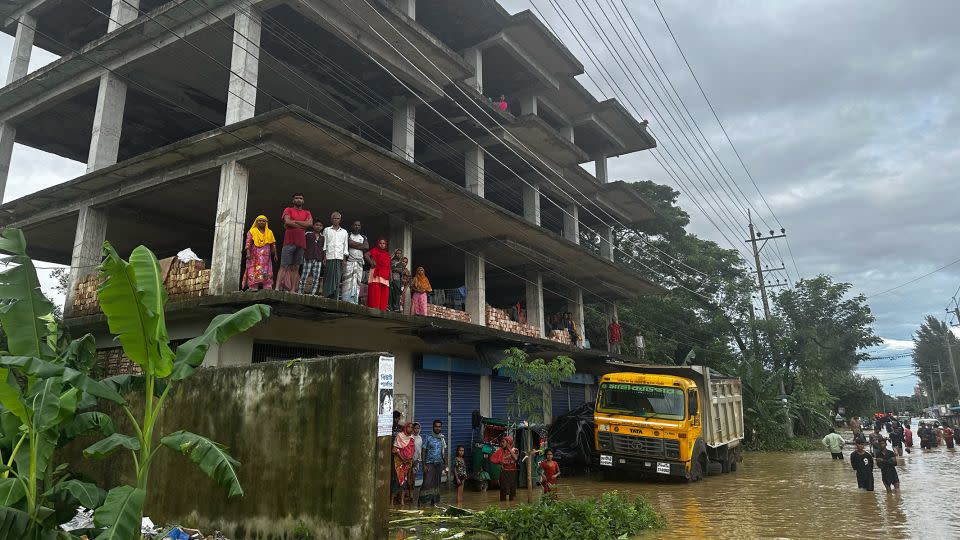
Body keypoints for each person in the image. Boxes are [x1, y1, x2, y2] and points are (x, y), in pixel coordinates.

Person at [277, 193, 313, 292]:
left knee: (295, 268)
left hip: (301, 244)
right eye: (296, 198)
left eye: (301, 198)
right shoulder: (288, 209)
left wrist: (295, 222)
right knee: (284, 266)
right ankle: (276, 288)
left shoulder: (307, 212)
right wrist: (303, 225)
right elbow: (287, 222)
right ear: (293, 200)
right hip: (288, 242)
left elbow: (310, 223)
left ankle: (292, 290)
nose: (298, 200)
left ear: (303, 200)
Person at [241, 215, 277, 290]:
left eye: (263, 221)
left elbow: (273, 244)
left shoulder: (269, 232)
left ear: (266, 223)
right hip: (255, 255)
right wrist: (248, 253)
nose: (261, 222)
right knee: (254, 269)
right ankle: (253, 286)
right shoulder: (252, 231)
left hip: (266, 256)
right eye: (259, 220)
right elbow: (248, 243)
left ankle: (266, 286)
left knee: (266, 269)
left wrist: (275, 254)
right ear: (256, 222)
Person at [419, 419, 446, 507]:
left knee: (436, 483)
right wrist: (423, 465)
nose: (438, 428)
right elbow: (423, 451)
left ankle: (433, 503)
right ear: (433, 427)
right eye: (436, 426)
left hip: (439, 464)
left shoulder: (442, 438)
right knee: (426, 483)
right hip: (429, 464)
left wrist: (445, 466)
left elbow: (443, 452)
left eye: (439, 426)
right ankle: (421, 501)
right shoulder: (428, 437)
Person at [341, 220, 369, 304]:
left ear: (360, 227)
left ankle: (354, 301)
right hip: (349, 262)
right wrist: (361, 246)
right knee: (347, 281)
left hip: (359, 263)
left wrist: (353, 244)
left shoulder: (363, 237)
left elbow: (366, 247)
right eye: (355, 225)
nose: (357, 226)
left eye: (359, 225)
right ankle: (345, 301)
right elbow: (348, 243)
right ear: (352, 226)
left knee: (357, 283)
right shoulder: (348, 235)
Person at [322, 212, 348, 299]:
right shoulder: (327, 230)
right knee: (328, 278)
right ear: (331, 219)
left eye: (337, 218)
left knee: (337, 279)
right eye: (334, 218)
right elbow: (324, 244)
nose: (336, 220)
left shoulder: (344, 232)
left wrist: (344, 260)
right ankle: (326, 296)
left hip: (339, 258)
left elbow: (345, 246)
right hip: (329, 257)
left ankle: (335, 298)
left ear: (340, 220)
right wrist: (324, 257)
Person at [297, 219, 324, 295]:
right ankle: (300, 292)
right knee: (304, 276)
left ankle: (312, 294)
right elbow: (302, 245)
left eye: (320, 225)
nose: (318, 227)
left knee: (316, 277)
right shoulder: (308, 234)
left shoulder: (323, 237)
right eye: (317, 225)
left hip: (318, 259)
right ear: (313, 226)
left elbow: (324, 248)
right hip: (308, 257)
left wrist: (323, 258)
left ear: (322, 227)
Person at [489, 435, 519, 502]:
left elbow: (515, 458)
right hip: (504, 472)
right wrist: (499, 461)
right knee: (503, 490)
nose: (501, 443)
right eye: (501, 442)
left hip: (512, 473)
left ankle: (511, 507)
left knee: (512, 491)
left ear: (508, 442)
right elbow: (492, 458)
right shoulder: (500, 450)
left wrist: (509, 449)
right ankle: (503, 506)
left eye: (503, 442)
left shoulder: (515, 450)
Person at [392, 423, 416, 506]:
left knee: (405, 481)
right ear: (405, 428)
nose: (410, 429)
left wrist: (410, 459)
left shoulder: (412, 437)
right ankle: (392, 501)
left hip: (407, 463)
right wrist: (403, 459)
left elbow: (413, 449)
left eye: (412, 427)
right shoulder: (399, 436)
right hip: (399, 462)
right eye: (408, 427)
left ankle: (402, 501)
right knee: (397, 480)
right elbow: (395, 449)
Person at [366, 238, 391, 311]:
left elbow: (389, 266)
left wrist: (390, 274)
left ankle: (382, 309)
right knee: (375, 291)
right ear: (378, 243)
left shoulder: (387, 254)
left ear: (386, 245)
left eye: (384, 243)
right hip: (376, 272)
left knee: (384, 292)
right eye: (381, 243)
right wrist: (371, 262)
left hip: (385, 274)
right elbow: (366, 255)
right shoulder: (374, 250)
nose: (382, 245)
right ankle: (373, 309)